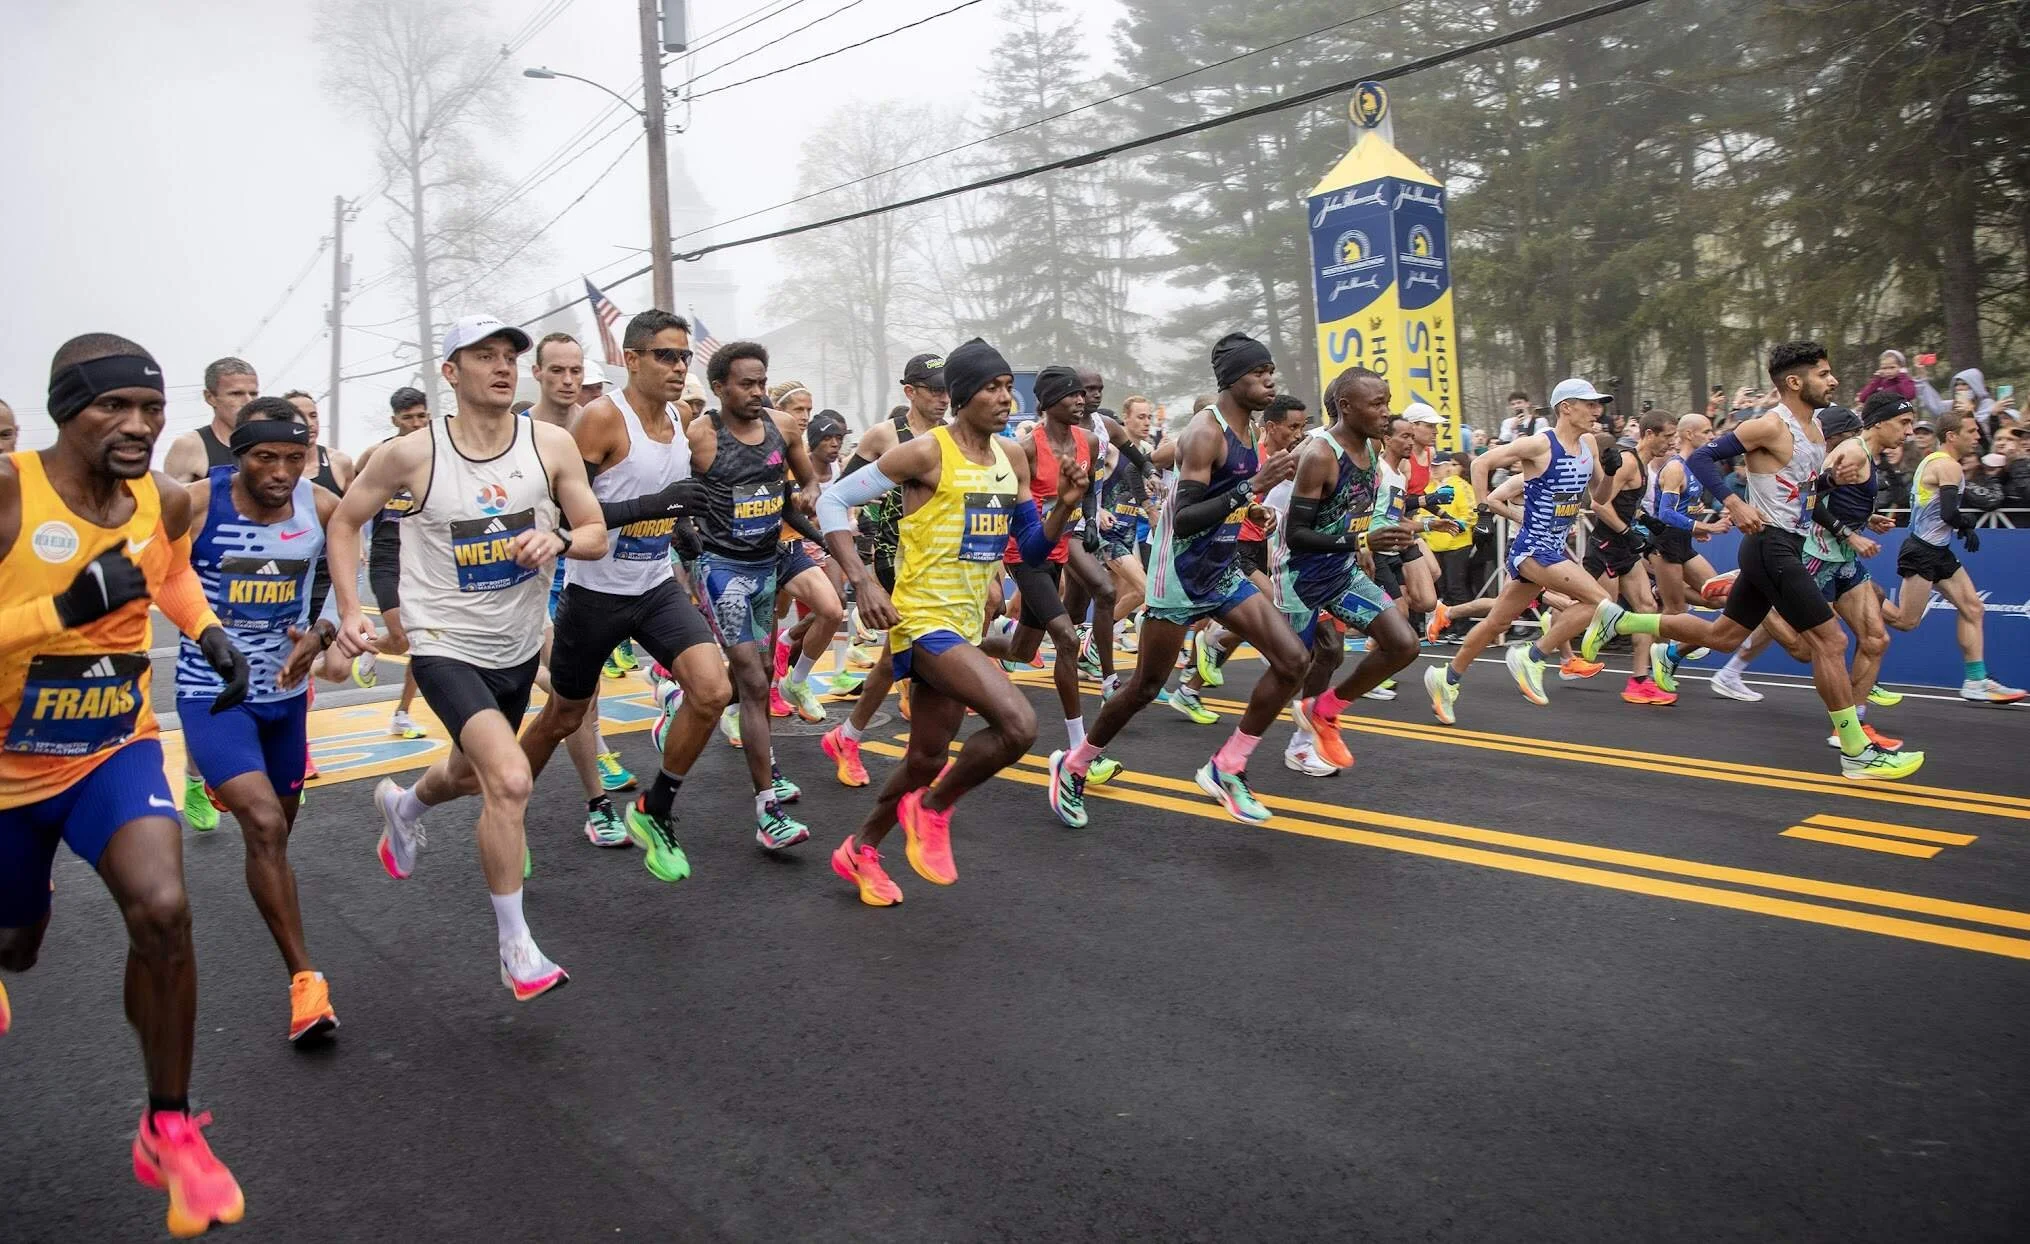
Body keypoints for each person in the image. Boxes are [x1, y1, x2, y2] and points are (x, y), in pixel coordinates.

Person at [0, 333, 251, 1236]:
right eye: (115, 406)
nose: (138, 425)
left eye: (151, 407)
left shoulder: (164, 497)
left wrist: (208, 630)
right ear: (68, 411)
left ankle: (168, 1125)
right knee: (15, 946)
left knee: (163, 910)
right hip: (7, 775)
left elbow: (168, 573)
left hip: (113, 744)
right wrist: (62, 608)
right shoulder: (9, 493)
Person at [330, 314, 607, 1001]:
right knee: (508, 780)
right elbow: (344, 521)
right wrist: (351, 610)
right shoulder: (409, 455)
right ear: (450, 372)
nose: (502, 366)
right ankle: (517, 947)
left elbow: (596, 531)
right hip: (443, 644)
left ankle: (404, 807)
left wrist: (560, 541)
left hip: (516, 644)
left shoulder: (550, 445)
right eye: (483, 356)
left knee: (463, 774)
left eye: (509, 354)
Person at [818, 338, 1083, 904]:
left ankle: (860, 849)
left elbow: (1032, 548)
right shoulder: (925, 453)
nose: (1005, 398)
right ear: (962, 396)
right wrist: (863, 582)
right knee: (1018, 724)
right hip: (919, 620)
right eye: (991, 387)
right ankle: (934, 809)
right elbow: (831, 503)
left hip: (963, 625)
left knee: (926, 758)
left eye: (1009, 387)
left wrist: (1063, 504)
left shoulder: (1012, 457)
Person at [1587, 342, 1926, 779]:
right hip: (1771, 545)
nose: (1833, 381)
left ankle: (1620, 621)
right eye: (1823, 374)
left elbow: (1799, 491)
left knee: (1723, 636)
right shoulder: (1769, 425)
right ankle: (1855, 751)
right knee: (1831, 642)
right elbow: (1704, 457)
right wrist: (1734, 502)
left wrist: (1829, 482)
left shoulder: (1814, 430)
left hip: (1784, 543)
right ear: (1795, 381)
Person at [1052, 332, 1306, 825]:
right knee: (1145, 687)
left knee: (1293, 659)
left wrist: (1253, 511)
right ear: (1232, 379)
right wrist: (1253, 489)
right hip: (1182, 577)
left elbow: (1225, 499)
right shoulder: (1205, 432)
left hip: (1221, 571)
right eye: (1259, 373)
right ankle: (1075, 764)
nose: (1270, 381)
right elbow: (1186, 518)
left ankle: (1227, 767)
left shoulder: (1250, 430)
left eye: (1271, 372)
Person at [517, 310, 732, 874]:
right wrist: (655, 506)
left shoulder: (680, 419)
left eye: (683, 356)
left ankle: (654, 809)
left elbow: (664, 498)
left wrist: (683, 527)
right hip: (595, 596)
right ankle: (506, 816)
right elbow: (568, 516)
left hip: (655, 587)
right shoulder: (601, 420)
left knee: (713, 691)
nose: (678, 367)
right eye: (665, 356)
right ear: (631, 360)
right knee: (564, 717)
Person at [177, 397, 345, 1042]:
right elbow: (159, 578)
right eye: (265, 457)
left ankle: (250, 830)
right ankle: (305, 982)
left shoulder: (320, 507)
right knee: (266, 824)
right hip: (212, 694)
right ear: (237, 454)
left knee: (274, 835)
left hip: (285, 698)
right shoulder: (198, 504)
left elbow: (346, 588)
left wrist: (321, 635)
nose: (280, 472)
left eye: (294, 458)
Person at [688, 341, 824, 849]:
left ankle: (688, 706)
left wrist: (810, 500)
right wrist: (685, 544)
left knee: (762, 675)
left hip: (766, 565)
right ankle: (768, 811)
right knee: (751, 677)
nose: (757, 391)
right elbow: (675, 497)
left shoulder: (782, 428)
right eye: (746, 384)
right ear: (720, 388)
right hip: (720, 568)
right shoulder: (701, 436)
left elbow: (805, 483)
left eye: (762, 382)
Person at [1423, 379, 1616, 724]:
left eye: (1598, 404)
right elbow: (1481, 464)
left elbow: (1600, 497)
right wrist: (1483, 512)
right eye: (1589, 404)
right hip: (1533, 549)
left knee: (1497, 621)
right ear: (1566, 408)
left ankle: (1446, 679)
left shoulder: (1588, 444)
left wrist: (1611, 473)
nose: (1597, 411)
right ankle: (1533, 656)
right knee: (1600, 602)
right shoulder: (1539, 444)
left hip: (1553, 548)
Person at [980, 367, 1119, 825]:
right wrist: (991, 564)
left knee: (1022, 650)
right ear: (1046, 402)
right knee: (1066, 639)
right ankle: (1078, 754)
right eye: (1070, 394)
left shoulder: (1089, 441)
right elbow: (999, 505)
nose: (1080, 400)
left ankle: (967, 651)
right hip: (1024, 554)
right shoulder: (1025, 448)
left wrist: (1091, 522)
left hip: (1059, 551)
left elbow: (1088, 490)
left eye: (1082, 394)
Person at [1272, 367, 1421, 775]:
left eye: (1387, 402)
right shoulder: (1319, 454)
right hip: (1299, 576)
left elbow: (1355, 507)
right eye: (1377, 404)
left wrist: (1366, 546)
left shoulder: (1371, 448)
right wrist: (1361, 542)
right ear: (1345, 407)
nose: (1386, 412)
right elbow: (1297, 535)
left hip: (1340, 571)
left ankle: (1319, 717)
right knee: (1291, 668)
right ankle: (1231, 759)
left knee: (1402, 644)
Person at [522, 332, 636, 832]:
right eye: (558, 371)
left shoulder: (592, 425)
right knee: (571, 697)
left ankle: (596, 802)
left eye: (576, 372)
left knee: (581, 696)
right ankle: (579, 802)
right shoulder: (518, 430)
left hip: (581, 573)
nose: (569, 381)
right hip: (525, 579)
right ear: (538, 374)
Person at [820, 353, 948, 788]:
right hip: (897, 557)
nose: (943, 398)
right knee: (918, 653)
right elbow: (840, 494)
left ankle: (854, 738)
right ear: (910, 391)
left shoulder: (951, 436)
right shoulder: (885, 435)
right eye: (934, 390)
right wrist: (859, 570)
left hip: (941, 561)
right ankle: (903, 751)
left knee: (902, 656)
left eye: (948, 390)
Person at [1879, 410, 2025, 703]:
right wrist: (1966, 525)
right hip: (1921, 551)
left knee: (1973, 608)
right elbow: (1949, 512)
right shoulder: (1948, 466)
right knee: (1906, 621)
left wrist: (1961, 528)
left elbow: (1941, 511)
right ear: (1951, 436)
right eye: (1971, 431)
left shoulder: (1936, 461)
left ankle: (1975, 681)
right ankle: (1863, 596)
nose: (1978, 437)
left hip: (1938, 550)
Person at [1784, 403, 1901, 747]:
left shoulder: (1867, 456)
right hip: (1815, 556)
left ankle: (1851, 727)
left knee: (1876, 640)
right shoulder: (1852, 452)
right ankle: (1754, 589)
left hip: (1843, 561)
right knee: (1804, 650)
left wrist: (1866, 520)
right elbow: (1807, 498)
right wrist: (1848, 533)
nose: (1908, 431)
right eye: (1903, 422)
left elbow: (1840, 499)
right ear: (1879, 423)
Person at [349, 388, 432, 741]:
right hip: (386, 555)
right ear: (394, 420)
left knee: (422, 642)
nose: (416, 424)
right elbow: (351, 499)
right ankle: (371, 649)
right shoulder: (378, 454)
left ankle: (402, 714)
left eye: (421, 416)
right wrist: (356, 543)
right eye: (408, 418)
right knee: (400, 638)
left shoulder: (437, 453)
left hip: (424, 557)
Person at [764, 380, 847, 723]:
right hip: (756, 552)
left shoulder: (795, 449)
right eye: (798, 409)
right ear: (778, 409)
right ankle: (749, 700)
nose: (805, 416)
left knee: (832, 608)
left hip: (793, 546)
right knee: (766, 632)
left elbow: (796, 504)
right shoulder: (763, 442)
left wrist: (824, 534)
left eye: (808, 410)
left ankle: (795, 682)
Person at [1587, 412, 1675, 705]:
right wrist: (1627, 532)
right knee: (1597, 611)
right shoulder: (1628, 462)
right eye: (1667, 436)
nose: (1671, 442)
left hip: (1624, 549)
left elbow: (1625, 503)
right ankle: (1544, 633)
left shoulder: (1645, 467)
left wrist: (1646, 520)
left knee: (1647, 607)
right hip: (1606, 547)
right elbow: (1599, 505)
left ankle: (1639, 681)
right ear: (1649, 434)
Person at [163, 357, 259, 483]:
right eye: (236, 394)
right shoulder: (190, 445)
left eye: (253, 394)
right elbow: (170, 495)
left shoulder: (267, 443)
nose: (248, 401)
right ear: (210, 397)